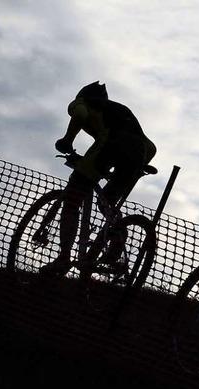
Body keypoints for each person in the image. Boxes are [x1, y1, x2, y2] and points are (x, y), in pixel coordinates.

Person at [41, 81, 156, 275]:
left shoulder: (81, 101)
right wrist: (133, 167)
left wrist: (67, 140)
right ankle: (116, 237)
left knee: (72, 200)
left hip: (111, 144)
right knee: (107, 202)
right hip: (139, 153)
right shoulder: (118, 109)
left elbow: (80, 115)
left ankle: (63, 258)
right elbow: (151, 147)